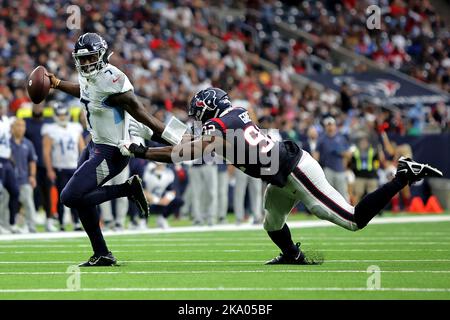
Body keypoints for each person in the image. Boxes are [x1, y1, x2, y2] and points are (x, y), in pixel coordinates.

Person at [122, 87, 444, 265]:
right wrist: (149, 134)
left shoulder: (222, 125)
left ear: (210, 108)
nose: (197, 117)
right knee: (272, 222)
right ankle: (293, 255)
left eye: (199, 111)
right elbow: (186, 145)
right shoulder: (228, 122)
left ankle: (403, 176)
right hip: (280, 174)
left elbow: (186, 150)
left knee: (352, 219)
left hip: (295, 170)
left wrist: (143, 151)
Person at [45, 32, 187, 266]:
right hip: (94, 146)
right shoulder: (89, 76)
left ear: (101, 55)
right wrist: (58, 84)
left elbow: (144, 115)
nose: (87, 63)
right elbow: (85, 92)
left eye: (91, 58)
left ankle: (127, 189)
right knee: (81, 199)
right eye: (83, 59)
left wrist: (175, 140)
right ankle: (101, 253)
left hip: (110, 153)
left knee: (70, 196)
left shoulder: (112, 79)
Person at [42, 103, 85, 231]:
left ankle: (76, 221)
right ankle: (61, 222)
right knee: (62, 197)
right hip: (59, 168)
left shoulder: (75, 127)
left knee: (76, 196)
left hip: (74, 167)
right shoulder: (50, 129)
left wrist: (83, 166)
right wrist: (49, 169)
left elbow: (82, 149)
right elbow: (46, 152)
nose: (62, 117)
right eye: (59, 115)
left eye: (63, 115)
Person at [24, 103, 55, 231]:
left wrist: (51, 166)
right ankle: (29, 222)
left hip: (45, 164)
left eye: (40, 107)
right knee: (31, 194)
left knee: (47, 193)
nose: (38, 109)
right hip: (31, 164)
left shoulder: (48, 124)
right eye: (35, 107)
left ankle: (48, 220)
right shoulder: (26, 123)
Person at [10, 118, 38, 233]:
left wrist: (32, 176)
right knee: (6, 203)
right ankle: (6, 225)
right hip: (10, 179)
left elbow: (32, 161)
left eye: (23, 126)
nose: (21, 128)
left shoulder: (28, 143)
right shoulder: (6, 142)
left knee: (28, 203)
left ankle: (31, 226)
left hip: (24, 178)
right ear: (12, 128)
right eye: (18, 125)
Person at [314, 116, 352, 201]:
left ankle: (347, 213)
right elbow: (316, 154)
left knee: (343, 193)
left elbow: (349, 154)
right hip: (327, 169)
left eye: (331, 125)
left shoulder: (341, 138)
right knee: (327, 193)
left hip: (340, 169)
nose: (330, 127)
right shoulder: (321, 139)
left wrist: (340, 152)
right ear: (325, 126)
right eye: (328, 125)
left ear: (335, 126)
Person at [142, 162, 183, 229]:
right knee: (137, 197)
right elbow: (142, 190)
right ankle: (142, 220)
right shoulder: (147, 171)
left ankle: (162, 218)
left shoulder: (169, 173)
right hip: (148, 200)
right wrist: (156, 200)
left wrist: (167, 199)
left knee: (179, 201)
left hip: (161, 200)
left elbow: (172, 190)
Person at [0, 102, 19, 233]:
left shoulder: (7, 120)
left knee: (15, 191)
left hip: (7, 160)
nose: (3, 110)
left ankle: (12, 224)